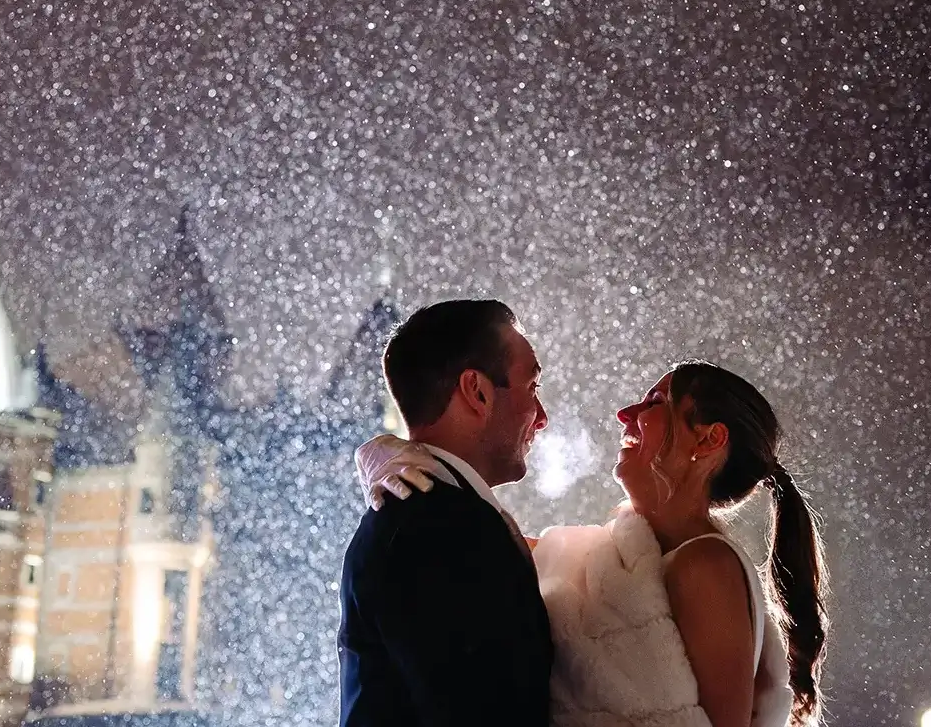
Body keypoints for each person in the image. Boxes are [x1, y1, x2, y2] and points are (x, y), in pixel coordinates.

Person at [358, 361, 828, 727]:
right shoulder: (617, 562)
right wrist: (407, 461)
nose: (625, 415)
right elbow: (485, 543)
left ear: (708, 438)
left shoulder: (706, 565)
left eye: (654, 403)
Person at [338, 299, 554, 727]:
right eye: (532, 387)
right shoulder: (444, 530)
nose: (542, 418)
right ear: (476, 391)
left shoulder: (423, 516)